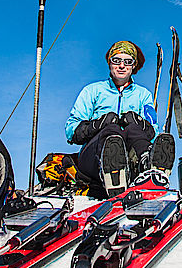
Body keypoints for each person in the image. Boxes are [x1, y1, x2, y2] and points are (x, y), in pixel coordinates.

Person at [66, 40, 174, 195]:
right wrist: (96, 125)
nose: (122, 66)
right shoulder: (92, 91)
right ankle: (113, 173)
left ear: (133, 66)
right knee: (112, 129)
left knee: (133, 128)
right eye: (117, 60)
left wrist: (142, 125)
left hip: (130, 156)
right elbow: (71, 130)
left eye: (127, 61)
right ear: (110, 63)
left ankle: (148, 167)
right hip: (93, 157)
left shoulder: (143, 95)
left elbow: (153, 131)